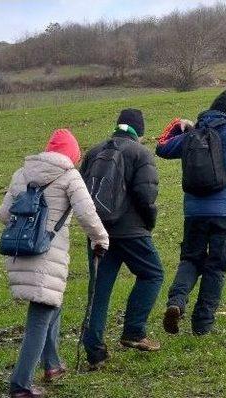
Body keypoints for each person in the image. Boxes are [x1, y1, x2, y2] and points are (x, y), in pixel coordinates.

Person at [0, 129, 109, 398]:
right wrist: (101, 239)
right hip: (47, 253)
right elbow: (87, 212)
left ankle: (53, 364)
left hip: (20, 250)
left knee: (51, 303)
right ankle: (20, 385)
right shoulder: (69, 175)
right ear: (71, 154)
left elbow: (3, 215)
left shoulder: (21, 173)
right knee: (40, 314)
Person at [157, 89, 226, 335]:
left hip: (194, 212)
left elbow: (162, 147)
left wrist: (178, 124)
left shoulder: (193, 133)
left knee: (190, 259)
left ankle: (176, 301)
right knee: (217, 267)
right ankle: (202, 324)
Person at [80, 109, 163, 369]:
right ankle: (134, 331)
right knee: (153, 274)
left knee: (99, 292)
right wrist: (148, 222)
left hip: (99, 232)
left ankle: (95, 353)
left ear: (118, 125)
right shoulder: (140, 153)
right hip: (131, 231)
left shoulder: (94, 152)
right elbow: (145, 195)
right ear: (140, 129)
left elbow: (82, 191)